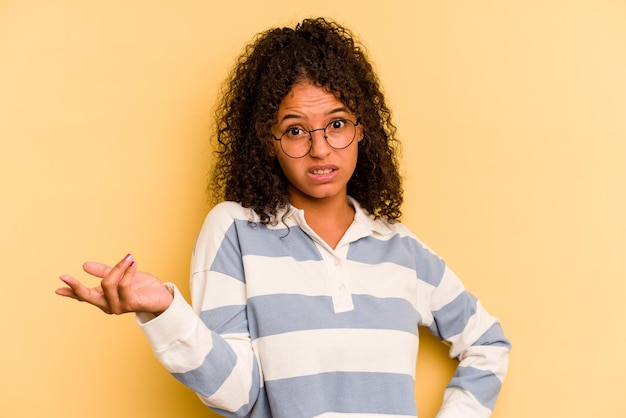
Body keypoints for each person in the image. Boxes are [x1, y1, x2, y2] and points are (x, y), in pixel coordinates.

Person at [56, 17, 510, 418]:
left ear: (361, 128)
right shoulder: (234, 230)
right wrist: (166, 312)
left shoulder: (403, 251)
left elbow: (488, 344)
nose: (319, 148)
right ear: (268, 141)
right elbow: (235, 397)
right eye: (295, 130)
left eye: (336, 124)